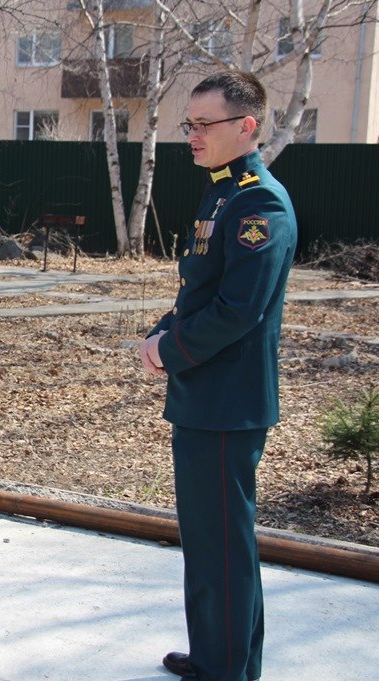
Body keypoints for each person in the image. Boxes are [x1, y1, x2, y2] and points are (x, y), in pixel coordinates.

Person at [139, 71, 297, 681]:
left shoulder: (259, 201)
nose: (192, 136)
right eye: (190, 124)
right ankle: (216, 655)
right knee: (208, 541)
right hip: (204, 395)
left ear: (246, 127)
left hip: (228, 400)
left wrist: (170, 349)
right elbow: (199, 290)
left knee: (224, 545)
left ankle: (228, 668)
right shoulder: (222, 193)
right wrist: (162, 334)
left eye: (204, 125)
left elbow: (239, 309)